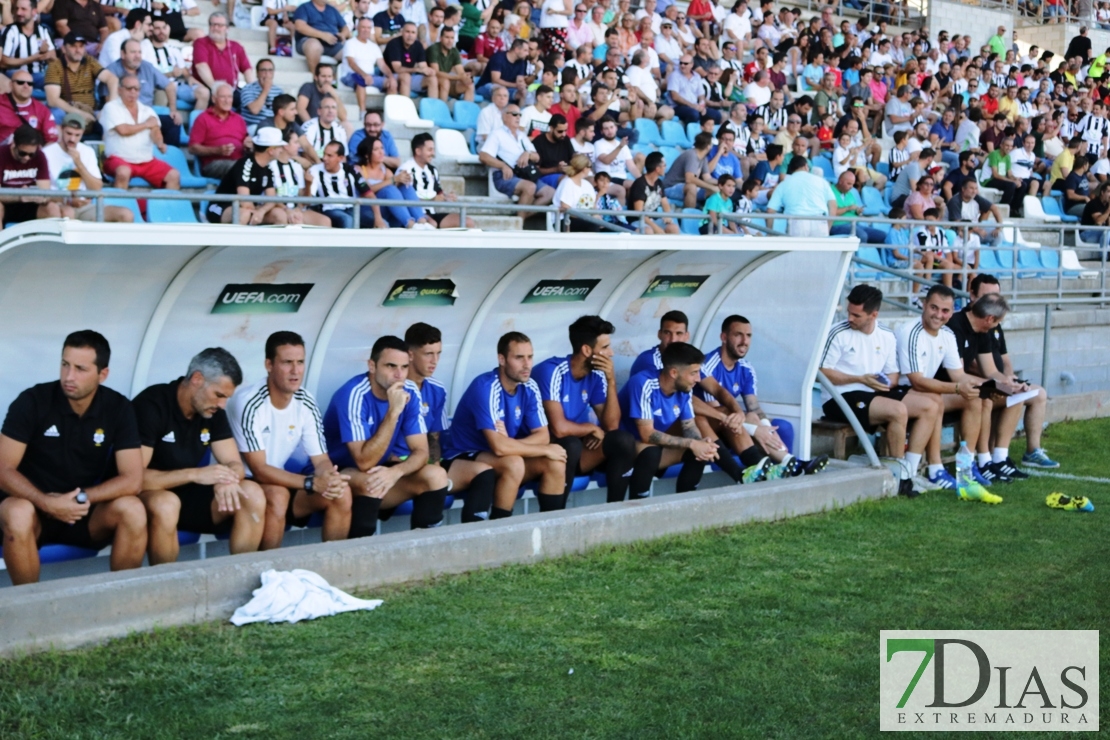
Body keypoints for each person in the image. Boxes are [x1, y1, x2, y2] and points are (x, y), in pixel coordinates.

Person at [0, 330, 146, 586]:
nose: (69, 376)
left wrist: (80, 499)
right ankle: (32, 610)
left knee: (133, 509)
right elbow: (3, 469)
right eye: (65, 365)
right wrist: (45, 502)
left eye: (80, 369)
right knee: (17, 512)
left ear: (103, 374)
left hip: (83, 510)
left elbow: (133, 479)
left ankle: (121, 606)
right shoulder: (32, 401)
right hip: (33, 506)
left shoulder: (118, 407)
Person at [133, 348, 266, 565]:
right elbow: (134, 479)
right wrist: (195, 474)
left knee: (252, 493)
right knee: (167, 503)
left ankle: (240, 579)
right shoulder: (152, 405)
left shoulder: (212, 411)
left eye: (227, 398)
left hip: (189, 497)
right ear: (196, 379)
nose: (222, 405)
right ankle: (166, 591)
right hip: (150, 495)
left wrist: (227, 480)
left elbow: (234, 463)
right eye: (219, 395)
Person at [819, 284, 941, 498]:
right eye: (849, 312)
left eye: (856, 315)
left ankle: (908, 472)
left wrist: (882, 384)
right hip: (839, 397)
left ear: (873, 314)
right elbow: (822, 372)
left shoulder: (886, 335)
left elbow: (893, 375)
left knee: (929, 406)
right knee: (897, 410)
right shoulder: (837, 333)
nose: (850, 318)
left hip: (871, 392)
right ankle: (898, 477)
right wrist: (859, 379)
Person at [321, 336, 448, 537]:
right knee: (372, 481)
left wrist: (395, 472)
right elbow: (363, 462)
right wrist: (393, 412)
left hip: (380, 471)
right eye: (390, 366)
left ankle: (424, 552)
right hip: (340, 473)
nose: (399, 375)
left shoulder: (410, 390)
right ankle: (360, 553)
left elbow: (421, 451)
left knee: (436, 475)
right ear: (372, 366)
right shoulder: (353, 394)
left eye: (404, 367)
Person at [442, 331, 569, 519]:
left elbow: (543, 436)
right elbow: (499, 447)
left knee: (555, 462)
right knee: (514, 462)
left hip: (500, 454)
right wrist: (542, 449)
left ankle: (552, 530)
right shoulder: (487, 387)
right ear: (502, 359)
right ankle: (501, 526)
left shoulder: (530, 386)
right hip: (465, 455)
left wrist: (511, 443)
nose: (527, 364)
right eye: (519, 358)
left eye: (530, 357)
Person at [532, 315, 648, 504]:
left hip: (576, 452)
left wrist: (611, 381)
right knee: (570, 443)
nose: (611, 353)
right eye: (604, 347)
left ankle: (616, 510)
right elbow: (559, 428)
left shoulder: (597, 375)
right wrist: (591, 428)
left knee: (622, 440)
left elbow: (611, 426)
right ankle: (555, 513)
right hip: (544, 452)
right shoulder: (553, 372)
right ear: (586, 350)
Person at [895, 284, 994, 492]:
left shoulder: (947, 334)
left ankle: (966, 467)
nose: (938, 315)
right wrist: (958, 388)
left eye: (945, 310)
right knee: (936, 399)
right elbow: (917, 381)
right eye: (934, 308)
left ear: (951, 312)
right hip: (900, 392)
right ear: (924, 305)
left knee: (976, 398)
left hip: (923, 392)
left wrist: (985, 385)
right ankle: (934, 469)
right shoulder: (910, 332)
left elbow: (958, 374)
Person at [702, 315, 829, 476]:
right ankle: (794, 464)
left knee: (755, 417)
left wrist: (766, 429)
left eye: (748, 336)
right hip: (711, 429)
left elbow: (754, 407)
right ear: (724, 337)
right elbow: (718, 413)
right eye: (738, 334)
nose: (744, 341)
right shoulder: (708, 365)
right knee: (751, 421)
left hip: (733, 426)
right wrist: (755, 431)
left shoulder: (746, 368)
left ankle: (791, 462)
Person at [957, 275, 1058, 474]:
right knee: (990, 397)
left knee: (1026, 392)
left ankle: (1007, 456)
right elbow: (969, 370)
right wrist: (999, 384)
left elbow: (999, 365)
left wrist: (1009, 381)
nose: (992, 301)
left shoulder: (989, 325)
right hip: (965, 387)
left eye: (996, 296)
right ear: (972, 295)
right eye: (987, 296)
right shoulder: (961, 324)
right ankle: (986, 460)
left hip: (983, 383)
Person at [403, 322, 498, 523]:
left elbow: (434, 437)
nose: (434, 360)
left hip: (429, 462)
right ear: (410, 354)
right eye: (428, 353)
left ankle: (473, 536)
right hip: (400, 463)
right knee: (432, 477)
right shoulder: (396, 387)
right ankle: (424, 539)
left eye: (438, 353)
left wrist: (436, 464)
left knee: (485, 473)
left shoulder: (437, 388)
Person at [617, 342, 719, 496]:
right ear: (673, 373)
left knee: (698, 453)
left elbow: (689, 426)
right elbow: (647, 434)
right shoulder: (644, 383)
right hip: (625, 450)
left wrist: (700, 443)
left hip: (656, 449)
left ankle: (685, 505)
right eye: (694, 373)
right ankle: (639, 508)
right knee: (651, 451)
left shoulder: (684, 389)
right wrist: (692, 443)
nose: (698, 379)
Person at [43, 111, 134, 223]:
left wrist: (79, 164)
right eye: (69, 133)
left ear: (82, 133)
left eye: (77, 135)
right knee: (68, 213)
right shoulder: (46, 153)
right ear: (61, 130)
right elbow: (42, 191)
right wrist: (69, 200)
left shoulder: (87, 152)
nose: (72, 139)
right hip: (59, 206)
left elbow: (96, 188)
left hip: (84, 207)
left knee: (126, 215)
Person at [99, 73, 179, 190]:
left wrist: (160, 142)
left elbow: (155, 130)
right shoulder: (111, 107)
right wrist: (146, 124)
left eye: (136, 89)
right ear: (119, 90)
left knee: (174, 175)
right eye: (129, 88)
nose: (133, 92)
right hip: (118, 159)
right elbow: (123, 130)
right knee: (123, 172)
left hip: (146, 161)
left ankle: (165, 208)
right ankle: (121, 207)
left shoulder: (147, 110)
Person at [479, 103, 555, 221]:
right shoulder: (496, 134)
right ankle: (518, 226)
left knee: (550, 193)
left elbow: (537, 157)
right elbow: (483, 156)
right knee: (530, 187)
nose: (518, 117)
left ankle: (519, 219)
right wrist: (503, 165)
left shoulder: (522, 136)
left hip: (525, 174)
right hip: (504, 176)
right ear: (504, 116)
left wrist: (528, 154)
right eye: (514, 114)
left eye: (520, 114)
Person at [205, 126, 287, 225]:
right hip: (220, 207)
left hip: (248, 209)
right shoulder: (245, 164)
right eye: (279, 147)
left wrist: (262, 211)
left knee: (279, 214)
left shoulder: (268, 169)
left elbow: (271, 199)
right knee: (244, 214)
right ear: (270, 150)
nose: (282, 150)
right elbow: (245, 202)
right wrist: (258, 210)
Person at [43, 32, 118, 132]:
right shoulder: (55, 67)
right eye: (73, 46)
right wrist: (79, 113)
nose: (78, 50)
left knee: (114, 119)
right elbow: (52, 100)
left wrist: (108, 109)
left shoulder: (89, 61)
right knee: (56, 114)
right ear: (64, 49)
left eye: (81, 46)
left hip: (90, 111)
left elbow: (112, 79)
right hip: (68, 110)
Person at [397, 132, 474, 228]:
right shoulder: (405, 170)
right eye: (429, 150)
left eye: (433, 150)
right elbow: (405, 198)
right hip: (415, 215)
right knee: (432, 224)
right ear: (418, 151)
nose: (433, 154)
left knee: (468, 222)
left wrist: (446, 197)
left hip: (432, 213)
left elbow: (438, 193)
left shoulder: (432, 170)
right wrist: (432, 200)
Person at [0, 124, 61, 225]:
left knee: (52, 208)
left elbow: (45, 190)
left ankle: (48, 241)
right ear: (14, 144)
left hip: (30, 203)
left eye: (31, 154)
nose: (27, 158)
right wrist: (20, 196)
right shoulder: (1, 154)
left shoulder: (40, 156)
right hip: (6, 204)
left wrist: (41, 197)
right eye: (22, 153)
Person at [188, 81, 248, 179]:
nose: (227, 100)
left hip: (237, 161)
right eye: (223, 97)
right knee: (240, 169)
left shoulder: (239, 119)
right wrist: (217, 150)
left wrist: (248, 146)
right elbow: (192, 148)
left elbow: (246, 143)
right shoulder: (203, 118)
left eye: (230, 97)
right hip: (213, 164)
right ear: (214, 99)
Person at [765, 155, 837, 237]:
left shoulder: (783, 184)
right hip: (820, 222)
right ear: (806, 166)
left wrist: (769, 233)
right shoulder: (822, 181)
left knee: (796, 250)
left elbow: (770, 210)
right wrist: (827, 227)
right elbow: (833, 206)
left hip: (796, 223)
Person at [307, 140, 368, 228]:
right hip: (329, 209)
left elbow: (369, 193)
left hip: (351, 208)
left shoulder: (350, 170)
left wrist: (378, 218)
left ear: (340, 158)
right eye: (324, 154)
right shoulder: (315, 170)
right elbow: (308, 201)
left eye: (329, 155)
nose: (324, 158)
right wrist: (308, 184)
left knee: (381, 223)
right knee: (347, 220)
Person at [341, 16, 395, 111]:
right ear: (357, 28)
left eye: (368, 28)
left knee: (391, 83)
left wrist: (391, 77)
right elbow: (351, 63)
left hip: (371, 76)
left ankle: (390, 113)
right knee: (361, 81)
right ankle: (363, 113)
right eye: (363, 27)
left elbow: (382, 65)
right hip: (350, 75)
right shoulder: (350, 43)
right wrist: (364, 75)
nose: (366, 30)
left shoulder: (374, 46)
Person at [191, 12, 253, 92]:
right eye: (213, 25)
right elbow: (201, 67)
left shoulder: (236, 47)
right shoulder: (201, 43)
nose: (216, 28)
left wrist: (252, 91)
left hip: (231, 91)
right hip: (208, 89)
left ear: (227, 28)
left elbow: (247, 70)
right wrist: (215, 89)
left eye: (219, 25)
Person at [1, 0, 56, 88]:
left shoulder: (43, 30)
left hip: (39, 74)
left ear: (34, 11)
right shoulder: (9, 31)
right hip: (15, 74)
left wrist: (46, 54)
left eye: (23, 9)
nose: (19, 12)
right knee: (23, 83)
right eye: (17, 9)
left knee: (55, 82)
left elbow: (54, 58)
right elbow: (3, 62)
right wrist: (32, 58)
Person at [662, 131, 720, 208]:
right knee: (692, 187)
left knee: (718, 190)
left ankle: (710, 217)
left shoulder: (703, 158)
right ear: (708, 146)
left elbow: (708, 178)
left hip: (684, 187)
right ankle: (689, 218)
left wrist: (721, 183)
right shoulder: (691, 155)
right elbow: (689, 179)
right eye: (711, 145)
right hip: (670, 188)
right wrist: (711, 187)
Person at [0, 68, 58, 145]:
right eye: (20, 82)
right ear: (11, 85)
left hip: (30, 153)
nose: (26, 86)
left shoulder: (42, 110)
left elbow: (51, 141)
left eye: (30, 84)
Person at [628, 150, 679, 234]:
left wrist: (667, 216)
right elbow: (639, 213)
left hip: (651, 220)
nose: (665, 167)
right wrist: (656, 228)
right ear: (657, 169)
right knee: (649, 231)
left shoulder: (659, 183)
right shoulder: (639, 184)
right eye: (664, 165)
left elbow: (665, 204)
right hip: (638, 221)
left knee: (673, 228)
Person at [293, 0, 349, 72]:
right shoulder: (304, 8)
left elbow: (345, 28)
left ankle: (343, 80)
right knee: (314, 45)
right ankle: (315, 79)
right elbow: (299, 26)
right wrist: (322, 35)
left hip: (333, 43)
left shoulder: (332, 10)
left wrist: (343, 34)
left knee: (351, 52)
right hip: (309, 40)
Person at [384, 21, 436, 99]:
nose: (410, 35)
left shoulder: (418, 45)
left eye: (413, 32)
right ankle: (405, 109)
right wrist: (417, 69)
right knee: (406, 77)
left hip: (410, 77)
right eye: (407, 32)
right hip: (391, 77)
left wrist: (428, 71)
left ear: (416, 35)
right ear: (402, 32)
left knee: (432, 79)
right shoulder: (394, 44)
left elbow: (423, 66)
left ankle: (433, 110)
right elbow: (397, 69)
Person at [296, 63, 351, 135]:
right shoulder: (308, 87)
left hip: (327, 126)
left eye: (329, 76)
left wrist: (334, 95)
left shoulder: (332, 92)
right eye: (323, 76)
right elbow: (300, 109)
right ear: (316, 77)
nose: (327, 79)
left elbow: (343, 117)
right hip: (308, 127)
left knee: (347, 126)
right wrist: (313, 126)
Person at [427, 25, 474, 102]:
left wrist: (467, 78)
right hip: (433, 81)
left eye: (452, 38)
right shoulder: (433, 49)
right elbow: (436, 72)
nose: (450, 41)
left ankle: (466, 112)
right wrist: (458, 77)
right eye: (447, 37)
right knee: (445, 82)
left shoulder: (454, 50)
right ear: (440, 38)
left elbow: (461, 72)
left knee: (470, 85)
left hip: (447, 80)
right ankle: (442, 108)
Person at [239, 59, 284, 132]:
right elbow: (255, 110)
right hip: (253, 125)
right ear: (257, 73)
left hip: (273, 126)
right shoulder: (248, 89)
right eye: (263, 70)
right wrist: (266, 89)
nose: (267, 74)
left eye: (270, 70)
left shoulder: (279, 91)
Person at [301, 95, 347, 164]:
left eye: (333, 108)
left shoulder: (340, 129)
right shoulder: (309, 126)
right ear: (319, 111)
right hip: (313, 165)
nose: (330, 111)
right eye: (327, 107)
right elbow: (305, 154)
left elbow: (343, 157)